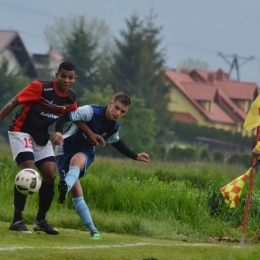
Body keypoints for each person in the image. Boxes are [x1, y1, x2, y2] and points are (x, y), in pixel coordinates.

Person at [54, 92, 149, 240]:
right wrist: (59, 133)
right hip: (64, 148)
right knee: (76, 189)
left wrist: (135, 156)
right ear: (110, 103)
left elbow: (117, 142)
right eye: (116, 108)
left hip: (85, 151)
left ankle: (65, 185)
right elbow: (64, 116)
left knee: (76, 161)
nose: (118, 113)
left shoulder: (114, 128)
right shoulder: (90, 111)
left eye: (123, 111)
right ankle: (93, 230)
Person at [0, 61, 78, 234]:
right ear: (56, 76)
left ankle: (40, 220)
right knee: (28, 171)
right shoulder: (40, 88)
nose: (66, 80)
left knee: (50, 174)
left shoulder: (71, 98)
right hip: (21, 130)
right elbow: (13, 102)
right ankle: (16, 220)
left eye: (70, 77)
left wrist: (61, 133)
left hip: (41, 137)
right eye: (63, 76)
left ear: (75, 79)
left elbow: (70, 117)